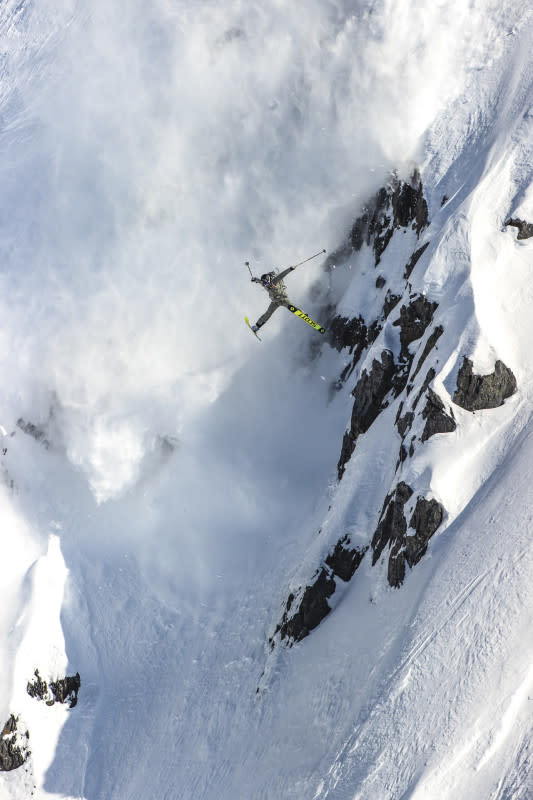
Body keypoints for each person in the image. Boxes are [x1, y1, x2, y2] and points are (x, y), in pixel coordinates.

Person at [250, 267, 296, 332]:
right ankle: (257, 326)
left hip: (283, 299)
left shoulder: (275, 280)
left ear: (269, 280)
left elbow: (282, 274)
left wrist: (290, 269)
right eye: (265, 284)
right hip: (275, 302)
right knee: (268, 313)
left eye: (266, 283)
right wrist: (255, 279)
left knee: (290, 306)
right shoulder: (264, 283)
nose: (266, 285)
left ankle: (302, 314)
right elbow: (259, 281)